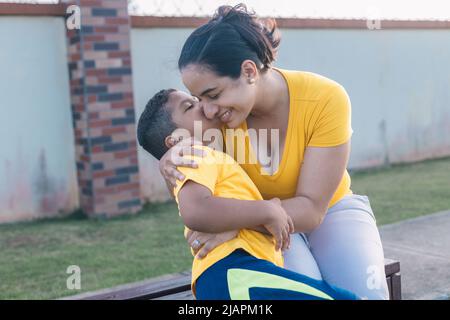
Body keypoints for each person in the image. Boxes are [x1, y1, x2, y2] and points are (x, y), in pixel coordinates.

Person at [159, 4, 389, 299]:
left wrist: (236, 222)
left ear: (249, 70)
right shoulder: (215, 121)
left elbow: (311, 209)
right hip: (262, 225)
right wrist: (169, 162)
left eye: (213, 94)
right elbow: (195, 192)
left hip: (330, 211)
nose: (208, 109)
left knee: (367, 293)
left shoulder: (325, 98)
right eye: (198, 98)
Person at [137, 88, 359, 300]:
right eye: (190, 106)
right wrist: (266, 210)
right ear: (175, 141)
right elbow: (195, 210)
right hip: (232, 270)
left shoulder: (212, 154)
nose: (203, 106)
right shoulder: (190, 155)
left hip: (242, 272)